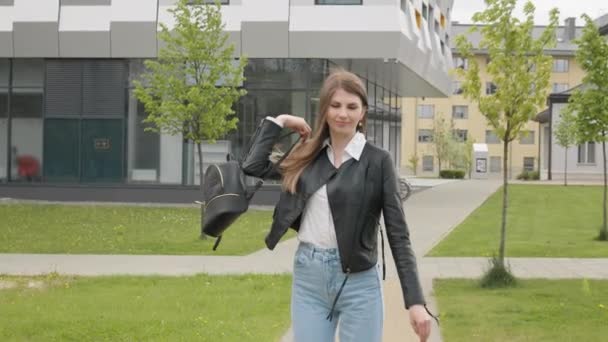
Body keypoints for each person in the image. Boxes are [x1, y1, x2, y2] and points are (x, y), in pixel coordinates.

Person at [241, 70, 433, 342]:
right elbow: (253, 165)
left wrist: (414, 301)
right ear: (325, 110)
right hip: (310, 278)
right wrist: (281, 120)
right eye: (336, 105)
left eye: (352, 107)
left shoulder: (378, 162)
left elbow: (398, 235)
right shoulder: (307, 156)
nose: (343, 114)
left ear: (363, 112)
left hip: (359, 282)